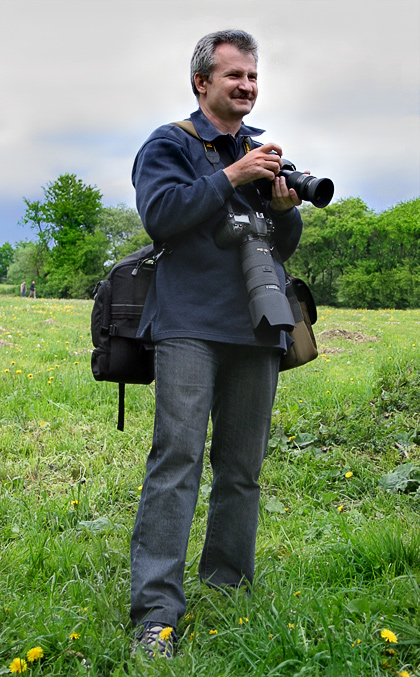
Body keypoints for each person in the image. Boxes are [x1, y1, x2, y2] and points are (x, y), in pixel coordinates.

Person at [130, 29, 305, 659]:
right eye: (235, 75)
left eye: (253, 76)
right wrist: (232, 175)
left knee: (242, 470)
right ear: (202, 82)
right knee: (176, 463)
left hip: (258, 323)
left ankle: (227, 590)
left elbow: (281, 244)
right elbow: (161, 216)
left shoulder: (261, 150)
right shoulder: (169, 144)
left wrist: (283, 206)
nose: (247, 86)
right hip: (189, 325)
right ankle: (156, 614)